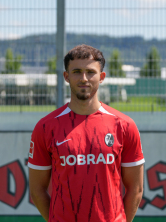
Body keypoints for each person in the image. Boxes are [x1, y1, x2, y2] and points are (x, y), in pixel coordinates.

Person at [28, 44, 145, 222]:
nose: (84, 78)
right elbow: (37, 189)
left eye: (90, 72)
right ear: (66, 76)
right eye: (76, 72)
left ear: (102, 77)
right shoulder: (45, 127)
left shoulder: (124, 126)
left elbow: (135, 189)